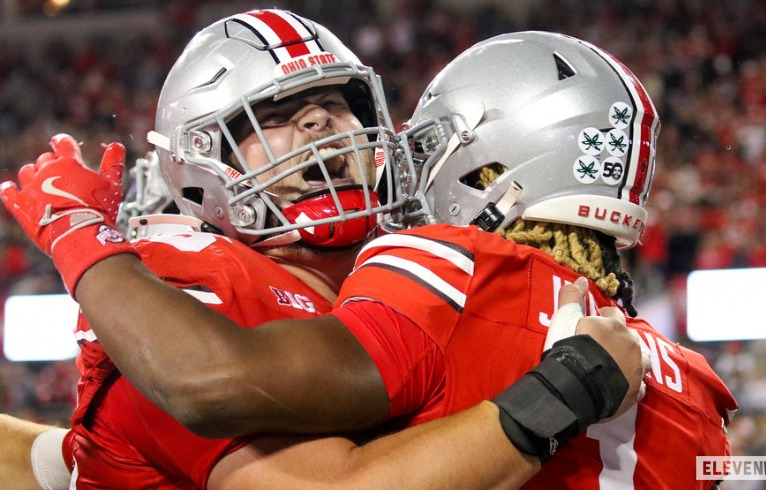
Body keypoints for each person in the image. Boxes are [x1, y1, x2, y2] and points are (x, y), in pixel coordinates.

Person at [0, 11, 645, 490]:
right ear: (203, 166)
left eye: (335, 103)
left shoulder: (424, 263)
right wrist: (562, 390)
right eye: (273, 116)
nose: (318, 125)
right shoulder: (179, 299)